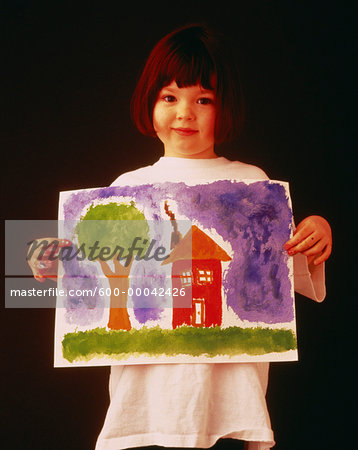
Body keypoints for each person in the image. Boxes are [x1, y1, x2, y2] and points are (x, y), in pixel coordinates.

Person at [29, 24, 332, 450]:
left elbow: (289, 269)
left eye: (203, 100)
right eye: (170, 97)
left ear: (225, 107)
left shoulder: (253, 186)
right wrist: (51, 262)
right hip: (142, 416)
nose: (185, 113)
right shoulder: (124, 188)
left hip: (233, 416)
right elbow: (87, 282)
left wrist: (316, 232)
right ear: (150, 102)